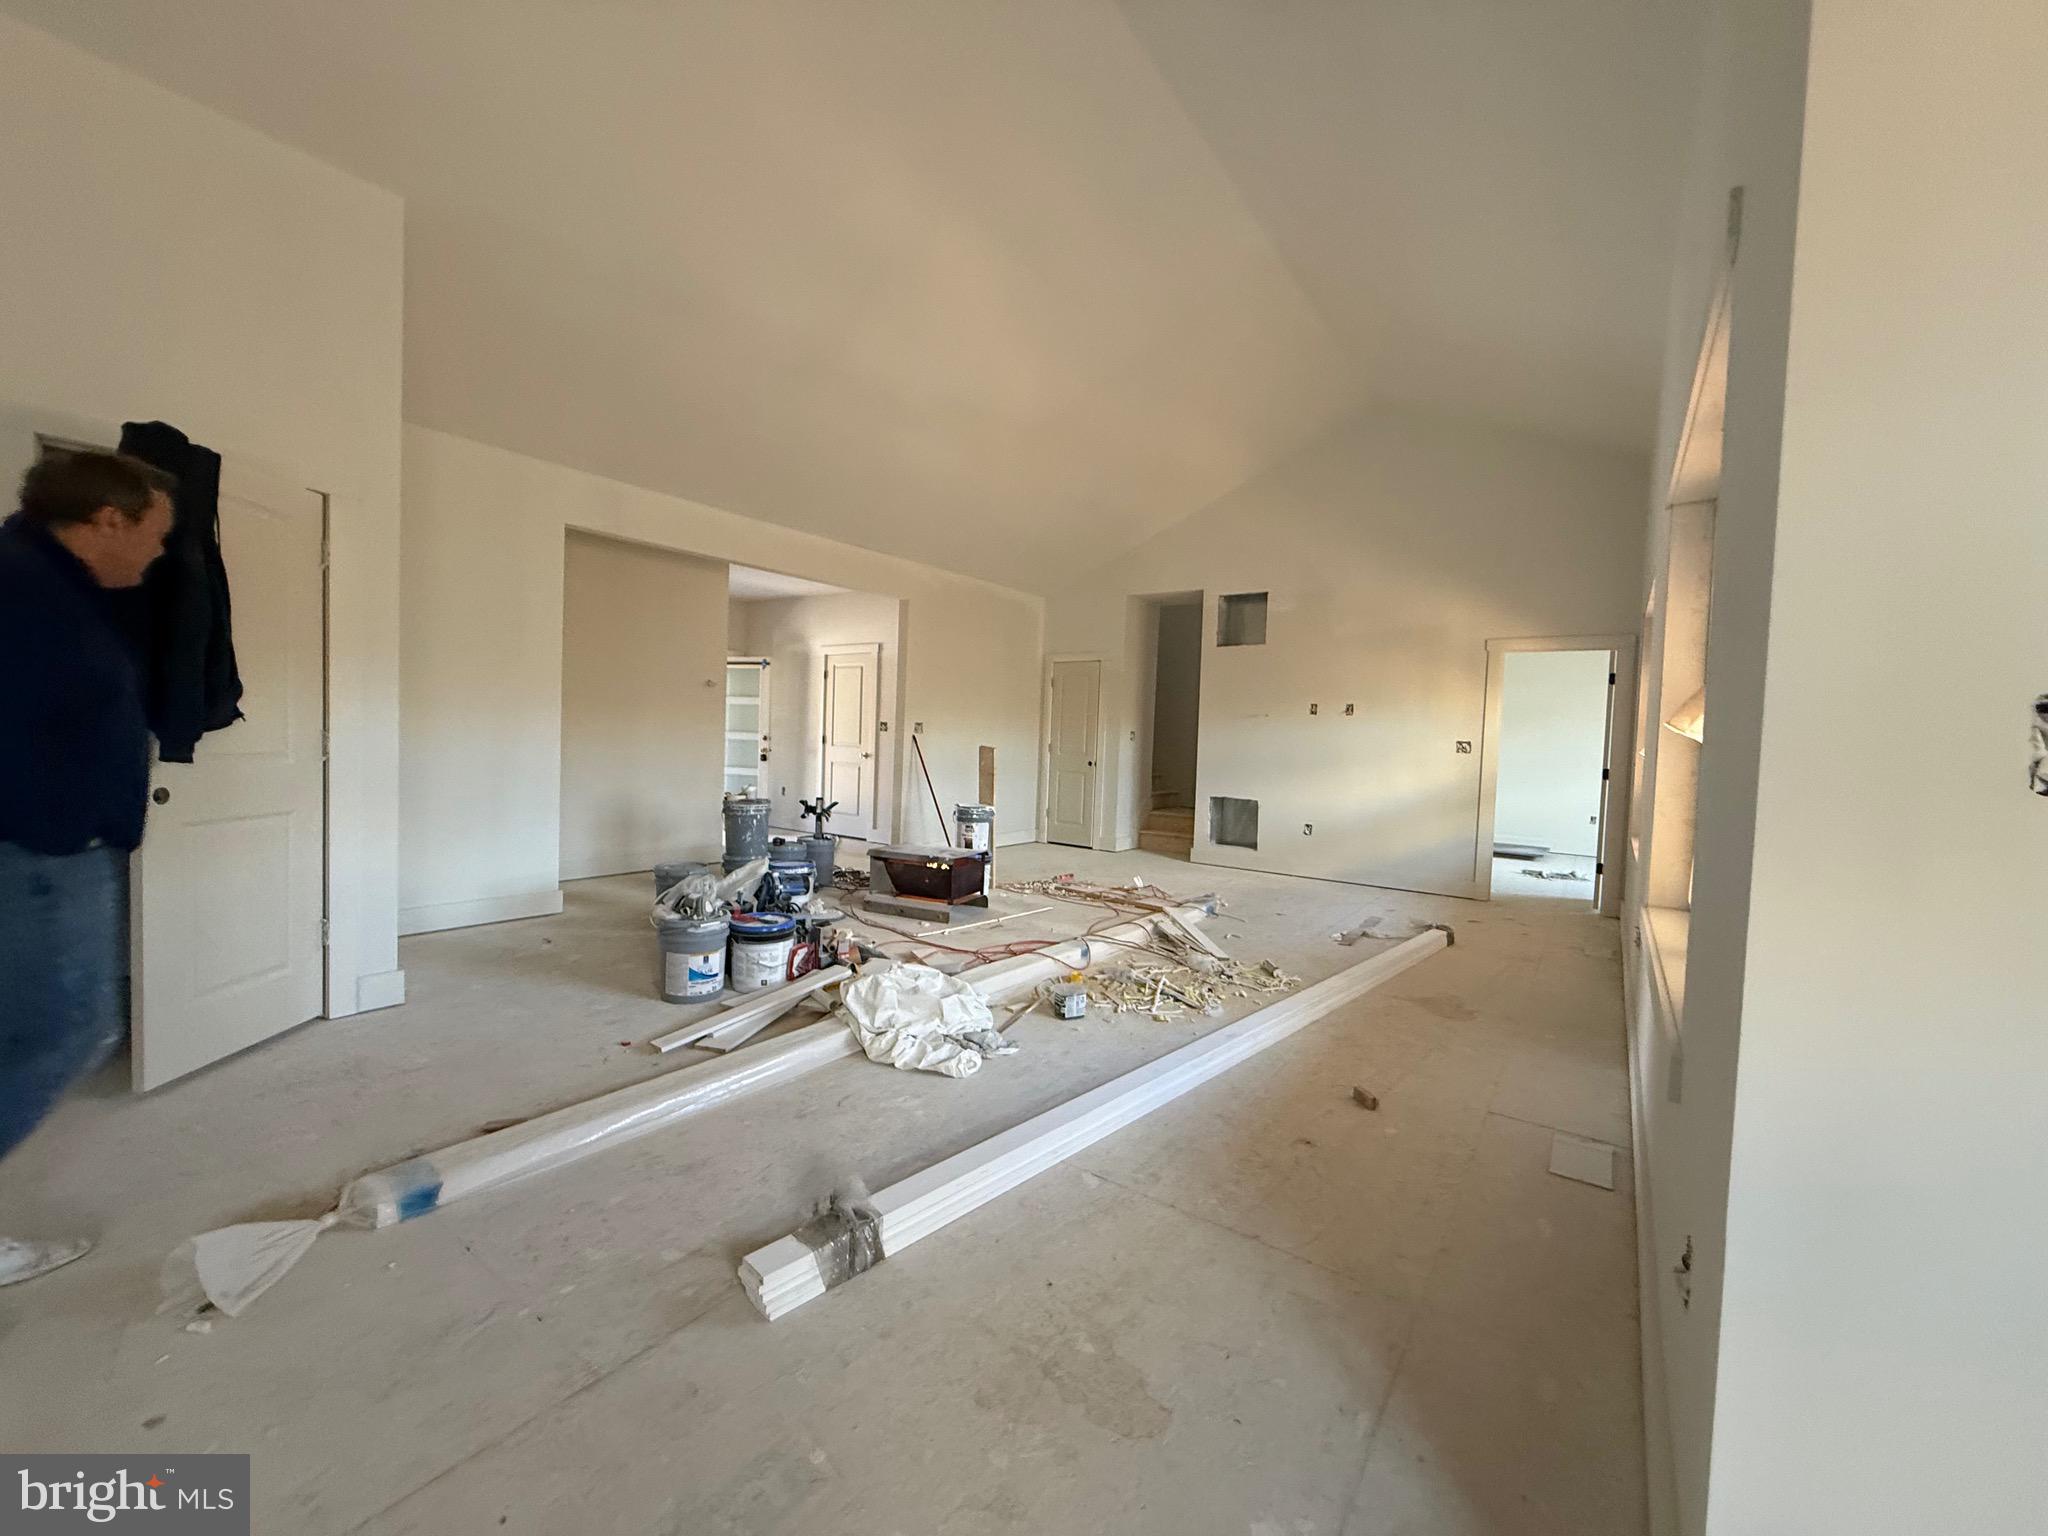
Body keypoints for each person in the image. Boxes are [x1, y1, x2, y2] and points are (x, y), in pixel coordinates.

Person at [0, 451, 174, 1286]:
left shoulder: (52, 586)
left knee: (41, 1027)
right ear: (108, 518)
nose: (160, 552)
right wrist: (69, 827)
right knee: (67, 1029)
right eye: (155, 533)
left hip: (49, 849)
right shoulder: (24, 594)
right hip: (40, 854)